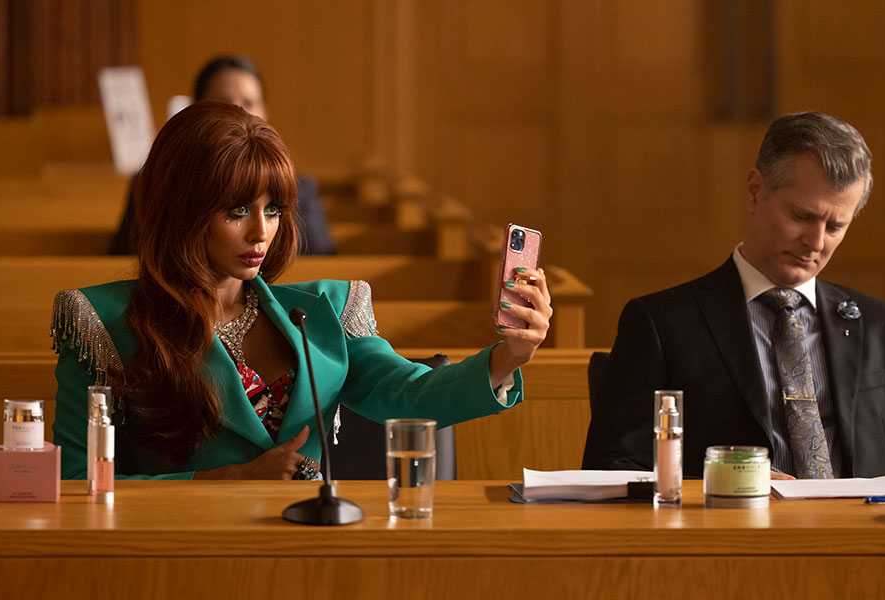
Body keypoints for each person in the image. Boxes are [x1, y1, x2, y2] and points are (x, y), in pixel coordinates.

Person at [54, 101, 553, 479]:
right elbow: (78, 487)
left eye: (272, 210)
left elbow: (408, 394)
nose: (261, 232)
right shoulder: (102, 322)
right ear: (180, 210)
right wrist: (230, 480)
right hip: (179, 560)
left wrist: (509, 356)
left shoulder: (327, 310)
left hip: (310, 550)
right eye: (236, 211)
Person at [582, 112, 885, 479]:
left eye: (836, 226)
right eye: (802, 216)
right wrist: (724, 482)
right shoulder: (662, 324)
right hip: (731, 542)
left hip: (866, 542)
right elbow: (611, 469)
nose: (816, 242)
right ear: (755, 192)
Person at [110, 54, 336, 256]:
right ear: (196, 110)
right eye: (223, 102)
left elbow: (322, 266)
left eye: (249, 102)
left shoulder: (299, 188)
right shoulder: (154, 181)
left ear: (265, 112)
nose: (238, 111)